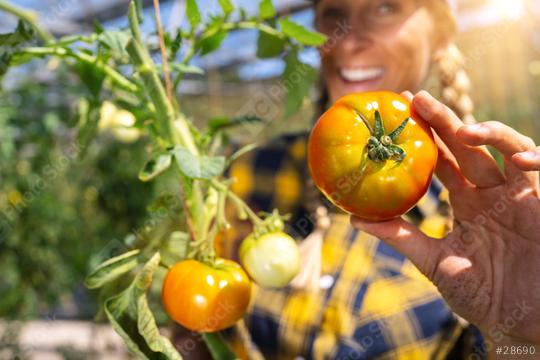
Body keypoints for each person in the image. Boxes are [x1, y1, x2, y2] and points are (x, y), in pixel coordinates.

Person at [219, 0, 540, 358]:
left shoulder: (478, 228)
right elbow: (200, 331)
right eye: (334, 15)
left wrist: (520, 331)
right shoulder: (248, 174)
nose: (346, 40)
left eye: (386, 8)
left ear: (440, 37)